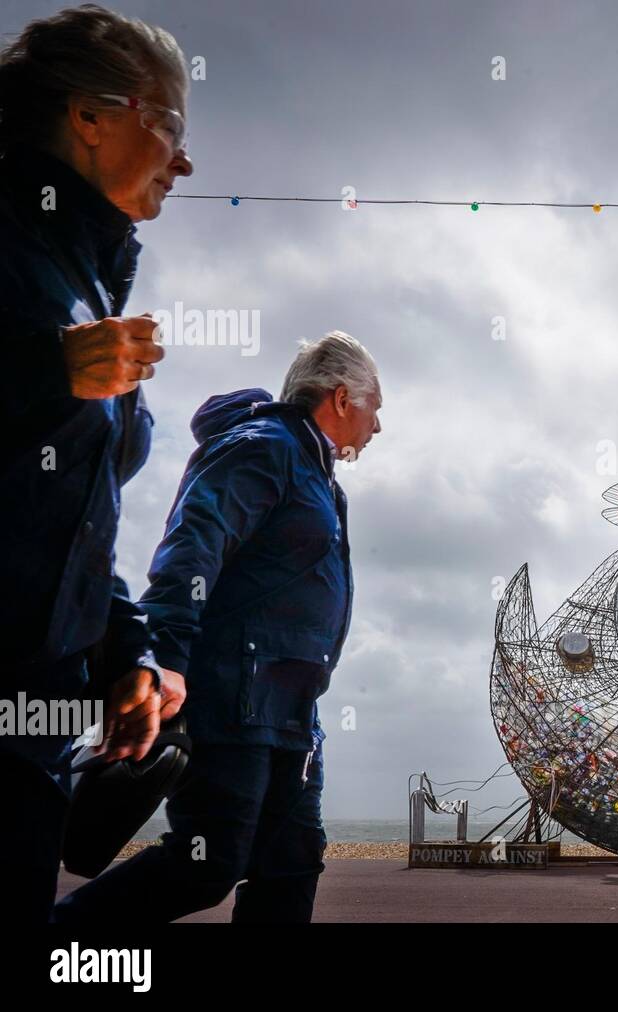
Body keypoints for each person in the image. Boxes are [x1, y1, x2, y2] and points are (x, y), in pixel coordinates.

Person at [55, 331, 382, 924]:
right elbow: (192, 550)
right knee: (206, 865)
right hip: (233, 697)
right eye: (374, 408)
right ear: (340, 398)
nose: (377, 426)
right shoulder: (264, 447)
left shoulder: (319, 476)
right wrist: (168, 659)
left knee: (291, 865)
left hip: (292, 713)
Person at [0, 4, 194, 923]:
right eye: (172, 125)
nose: (185, 161)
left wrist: (126, 655)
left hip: (39, 715)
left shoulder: (84, 274)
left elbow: (69, 510)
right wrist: (39, 371)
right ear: (90, 116)